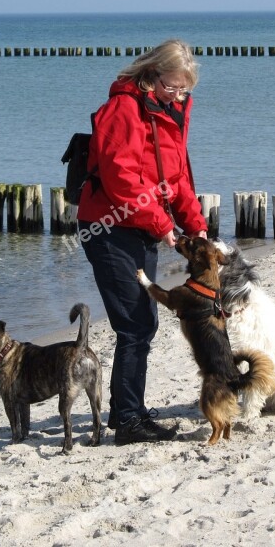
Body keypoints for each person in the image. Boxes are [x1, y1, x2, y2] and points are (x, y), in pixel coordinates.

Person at [78, 39, 208, 445]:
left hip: (140, 226)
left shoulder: (169, 112)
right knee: (136, 323)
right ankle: (129, 421)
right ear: (152, 75)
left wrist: (195, 224)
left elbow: (177, 178)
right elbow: (121, 180)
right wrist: (162, 225)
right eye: (172, 87)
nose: (178, 96)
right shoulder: (124, 109)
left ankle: (125, 412)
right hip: (107, 226)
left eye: (185, 89)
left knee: (141, 324)